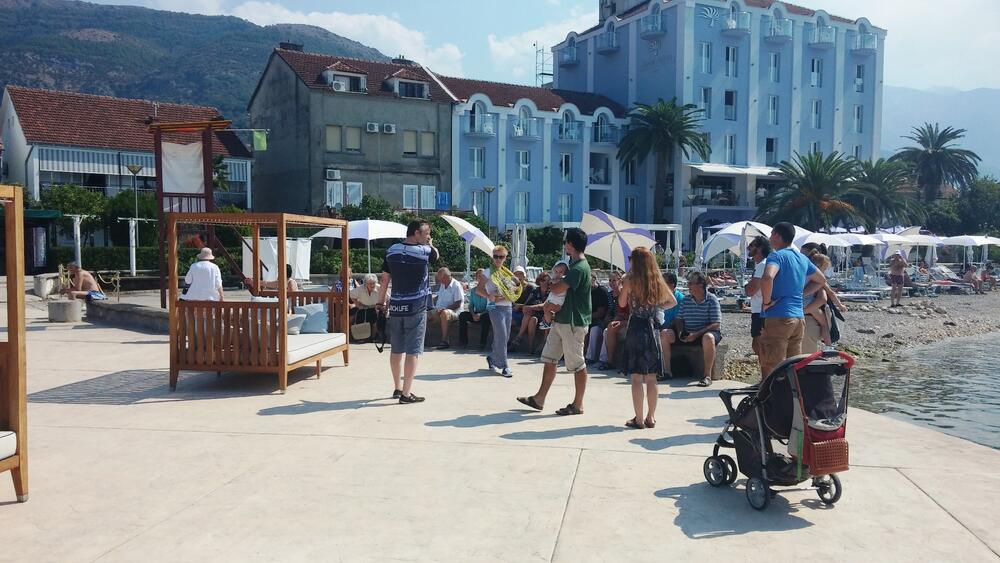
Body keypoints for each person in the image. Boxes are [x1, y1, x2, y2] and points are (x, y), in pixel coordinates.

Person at [517, 227, 592, 415]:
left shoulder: (579, 267)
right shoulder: (574, 266)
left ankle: (578, 404)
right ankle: (539, 399)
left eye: (566, 242)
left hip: (573, 322)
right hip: (562, 320)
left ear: (571, 244)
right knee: (550, 359)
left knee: (577, 364)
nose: (565, 244)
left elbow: (558, 289)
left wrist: (551, 283)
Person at [612, 247, 676, 429]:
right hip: (652, 327)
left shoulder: (631, 280)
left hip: (636, 326)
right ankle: (651, 417)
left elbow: (622, 303)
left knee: (636, 378)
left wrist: (624, 285)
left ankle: (638, 419)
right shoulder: (656, 280)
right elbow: (673, 301)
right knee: (651, 378)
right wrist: (655, 305)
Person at [377, 219, 438, 404]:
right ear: (417, 233)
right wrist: (430, 244)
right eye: (426, 233)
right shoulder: (425, 251)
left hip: (396, 306)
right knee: (413, 351)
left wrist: (380, 304)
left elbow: (385, 280)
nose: (428, 237)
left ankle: (397, 387)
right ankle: (406, 393)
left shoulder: (392, 251)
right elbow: (436, 255)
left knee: (396, 350)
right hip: (416, 307)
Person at [758, 222, 827, 378]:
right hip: (798, 318)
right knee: (792, 366)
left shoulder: (776, 256)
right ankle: (792, 400)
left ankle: (776, 400)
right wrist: (800, 293)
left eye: (771, 235)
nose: (769, 239)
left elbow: (767, 277)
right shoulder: (802, 258)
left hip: (779, 316)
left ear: (777, 235)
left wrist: (767, 302)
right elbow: (821, 280)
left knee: (773, 365)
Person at [660, 271, 722, 387]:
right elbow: (678, 319)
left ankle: (707, 376)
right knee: (664, 334)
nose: (688, 286)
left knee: (708, 338)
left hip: (704, 333)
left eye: (690, 283)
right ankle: (667, 371)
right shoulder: (686, 299)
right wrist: (679, 333)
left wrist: (697, 334)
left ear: (700, 285)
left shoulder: (712, 299)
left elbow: (716, 324)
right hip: (688, 332)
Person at [477, 245, 519, 378]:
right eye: (496, 256)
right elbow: (478, 290)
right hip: (494, 307)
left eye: (501, 257)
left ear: (505, 258)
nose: (498, 259)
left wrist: (517, 283)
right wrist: (489, 296)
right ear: (492, 257)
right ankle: (504, 366)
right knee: (501, 334)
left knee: (504, 336)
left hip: (507, 306)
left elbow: (517, 287)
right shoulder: (488, 272)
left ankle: (492, 358)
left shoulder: (508, 273)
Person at [744, 236, 771, 362]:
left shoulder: (762, 266)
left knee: (759, 345)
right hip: (761, 309)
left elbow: (750, 290)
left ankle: (767, 379)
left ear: (760, 248)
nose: (748, 247)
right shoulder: (763, 265)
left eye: (752, 245)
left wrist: (746, 286)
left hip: (761, 311)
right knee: (760, 346)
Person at [510, 273, 550, 354]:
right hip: (536, 314)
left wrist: (530, 307)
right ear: (539, 281)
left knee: (545, 317)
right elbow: (528, 303)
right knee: (532, 319)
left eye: (546, 281)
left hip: (546, 314)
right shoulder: (536, 291)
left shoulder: (551, 292)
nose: (544, 282)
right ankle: (529, 346)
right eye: (542, 280)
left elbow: (545, 305)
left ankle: (543, 343)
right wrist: (525, 307)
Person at [428, 267, 464, 349]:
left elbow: (458, 303)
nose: (439, 281)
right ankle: (422, 340)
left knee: (444, 313)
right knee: (426, 315)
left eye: (440, 279)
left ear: (445, 277)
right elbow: (440, 297)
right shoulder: (442, 285)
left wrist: (445, 309)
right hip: (440, 310)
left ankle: (445, 341)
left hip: (454, 312)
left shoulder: (456, 285)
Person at [459, 269, 492, 349]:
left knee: (486, 318)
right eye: (479, 276)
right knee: (462, 315)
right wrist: (473, 314)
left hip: (485, 313)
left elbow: (490, 307)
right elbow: (471, 305)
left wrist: (480, 314)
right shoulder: (473, 290)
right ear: (476, 278)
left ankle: (482, 343)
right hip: (476, 314)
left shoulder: (489, 290)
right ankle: (463, 342)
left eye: (483, 276)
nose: (481, 278)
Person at [349, 273, 382, 342]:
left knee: (376, 317)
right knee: (360, 317)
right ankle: (361, 337)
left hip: (375, 307)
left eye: (374, 283)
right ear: (365, 283)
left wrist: (381, 306)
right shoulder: (360, 288)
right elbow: (351, 295)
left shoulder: (379, 288)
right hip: (363, 307)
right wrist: (358, 304)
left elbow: (386, 298)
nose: (372, 285)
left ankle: (373, 338)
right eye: (370, 283)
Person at [541, 261, 569, 326]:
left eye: (561, 272)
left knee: (546, 307)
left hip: (558, 302)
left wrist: (551, 281)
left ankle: (548, 323)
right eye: (556, 272)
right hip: (554, 301)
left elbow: (555, 283)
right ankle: (548, 320)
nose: (558, 274)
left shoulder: (563, 279)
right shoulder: (555, 279)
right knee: (546, 308)